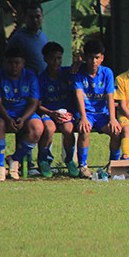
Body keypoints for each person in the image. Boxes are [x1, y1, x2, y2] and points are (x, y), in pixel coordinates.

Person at [0, 47, 43, 181]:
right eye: (10, 62)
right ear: (5, 63)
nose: (14, 66)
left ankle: (14, 159)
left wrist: (23, 118)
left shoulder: (30, 76)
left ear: (23, 63)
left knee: (37, 128)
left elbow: (33, 102)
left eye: (17, 63)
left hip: (24, 113)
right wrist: (8, 119)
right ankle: (0, 166)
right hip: (4, 113)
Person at [72, 39, 120, 178]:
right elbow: (79, 96)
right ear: (85, 57)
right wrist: (83, 118)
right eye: (91, 57)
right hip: (86, 113)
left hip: (102, 114)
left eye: (97, 57)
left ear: (102, 58)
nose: (94, 61)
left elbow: (110, 96)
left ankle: (113, 164)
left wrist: (113, 119)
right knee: (84, 129)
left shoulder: (107, 73)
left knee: (117, 131)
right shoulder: (78, 72)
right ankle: (82, 166)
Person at [36, 41, 78, 177]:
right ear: (45, 59)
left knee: (68, 129)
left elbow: (84, 66)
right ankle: (43, 160)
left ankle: (69, 160)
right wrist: (51, 113)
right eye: (52, 58)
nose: (56, 62)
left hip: (64, 113)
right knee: (49, 129)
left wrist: (79, 64)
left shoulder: (67, 73)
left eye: (59, 58)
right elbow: (37, 105)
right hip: (48, 112)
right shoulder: (41, 79)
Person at [6, 5, 48, 75]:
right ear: (25, 18)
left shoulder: (43, 36)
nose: (35, 20)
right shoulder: (18, 39)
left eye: (38, 17)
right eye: (31, 17)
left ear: (42, 17)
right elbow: (8, 63)